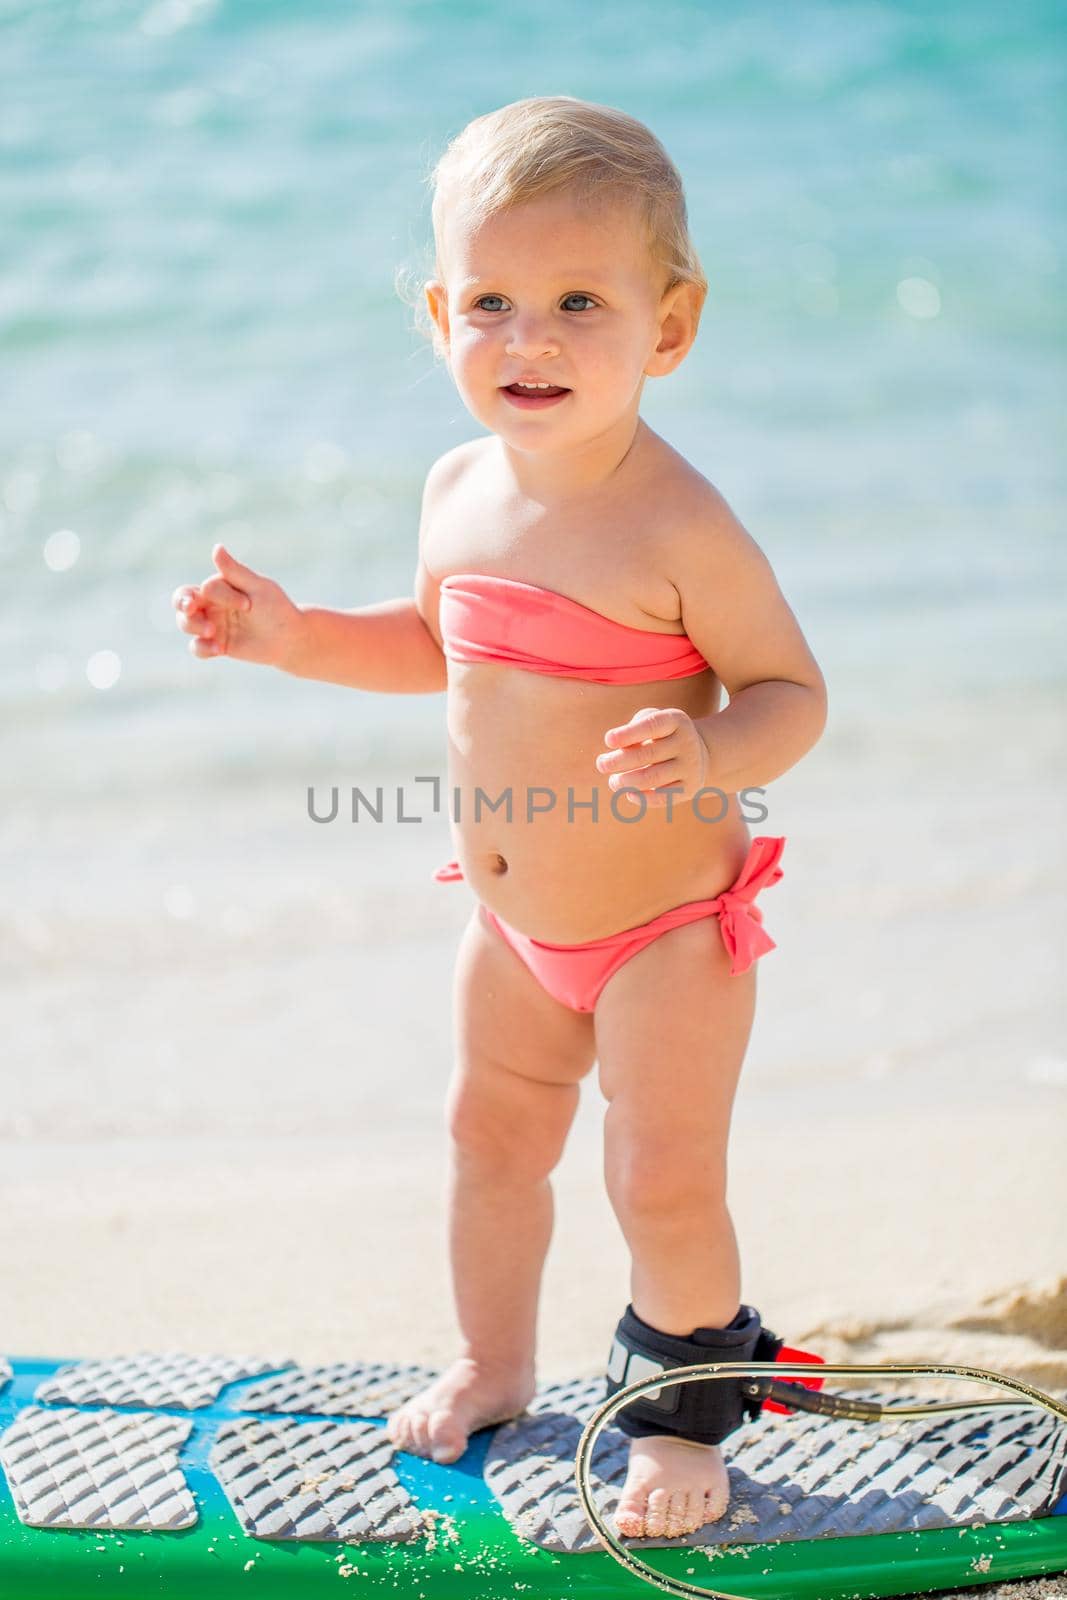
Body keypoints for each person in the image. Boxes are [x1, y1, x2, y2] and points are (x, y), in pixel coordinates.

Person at [172, 95, 828, 1543]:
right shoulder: (456, 491)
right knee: (488, 1144)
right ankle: (493, 1362)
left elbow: (794, 690)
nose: (528, 338)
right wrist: (293, 637)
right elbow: (435, 650)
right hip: (517, 923)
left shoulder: (678, 524)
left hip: (665, 931)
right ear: (438, 314)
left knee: (659, 1176)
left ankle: (682, 1410)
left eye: (578, 302)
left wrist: (713, 745)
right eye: (492, 303)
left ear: (669, 328)